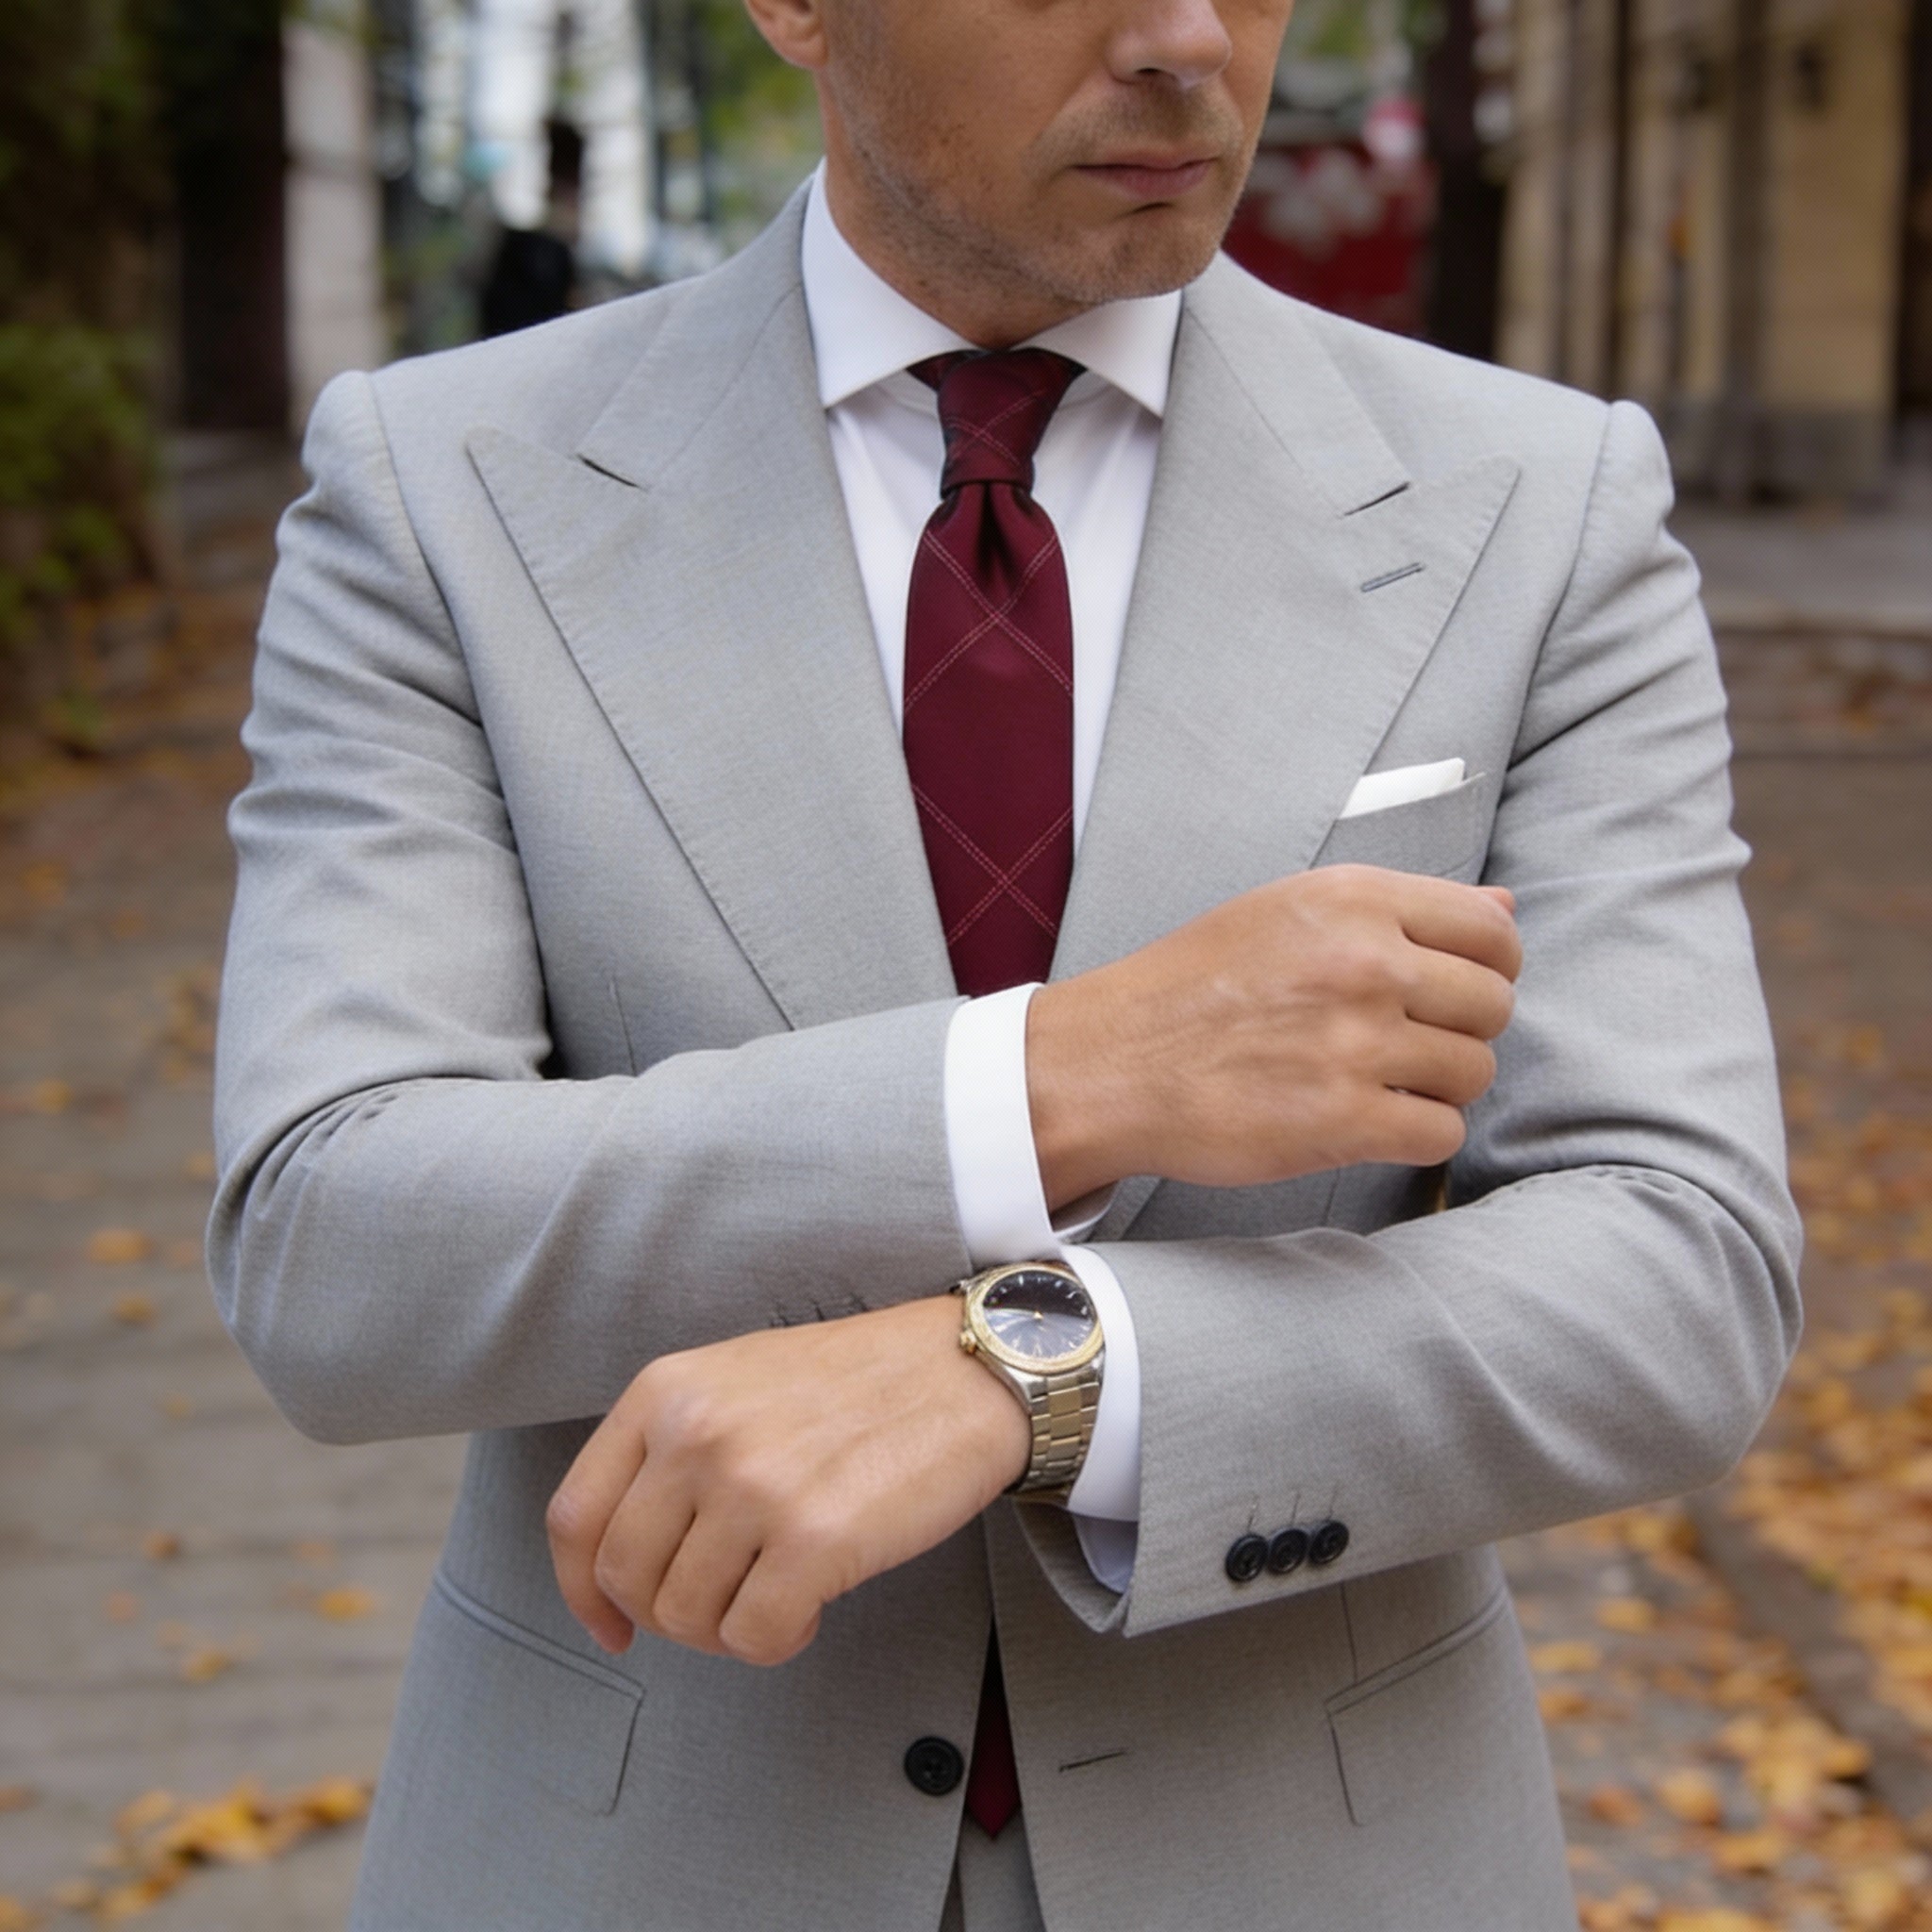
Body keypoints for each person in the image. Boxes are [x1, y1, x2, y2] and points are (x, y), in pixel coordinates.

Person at [208, 0, 1801, 1925]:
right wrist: (1059, 1080)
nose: (1185, 34)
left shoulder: (1540, 503)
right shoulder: (441, 487)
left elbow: (1678, 1270)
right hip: (640, 1855)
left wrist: (1040, 1371)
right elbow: (332, 1237)